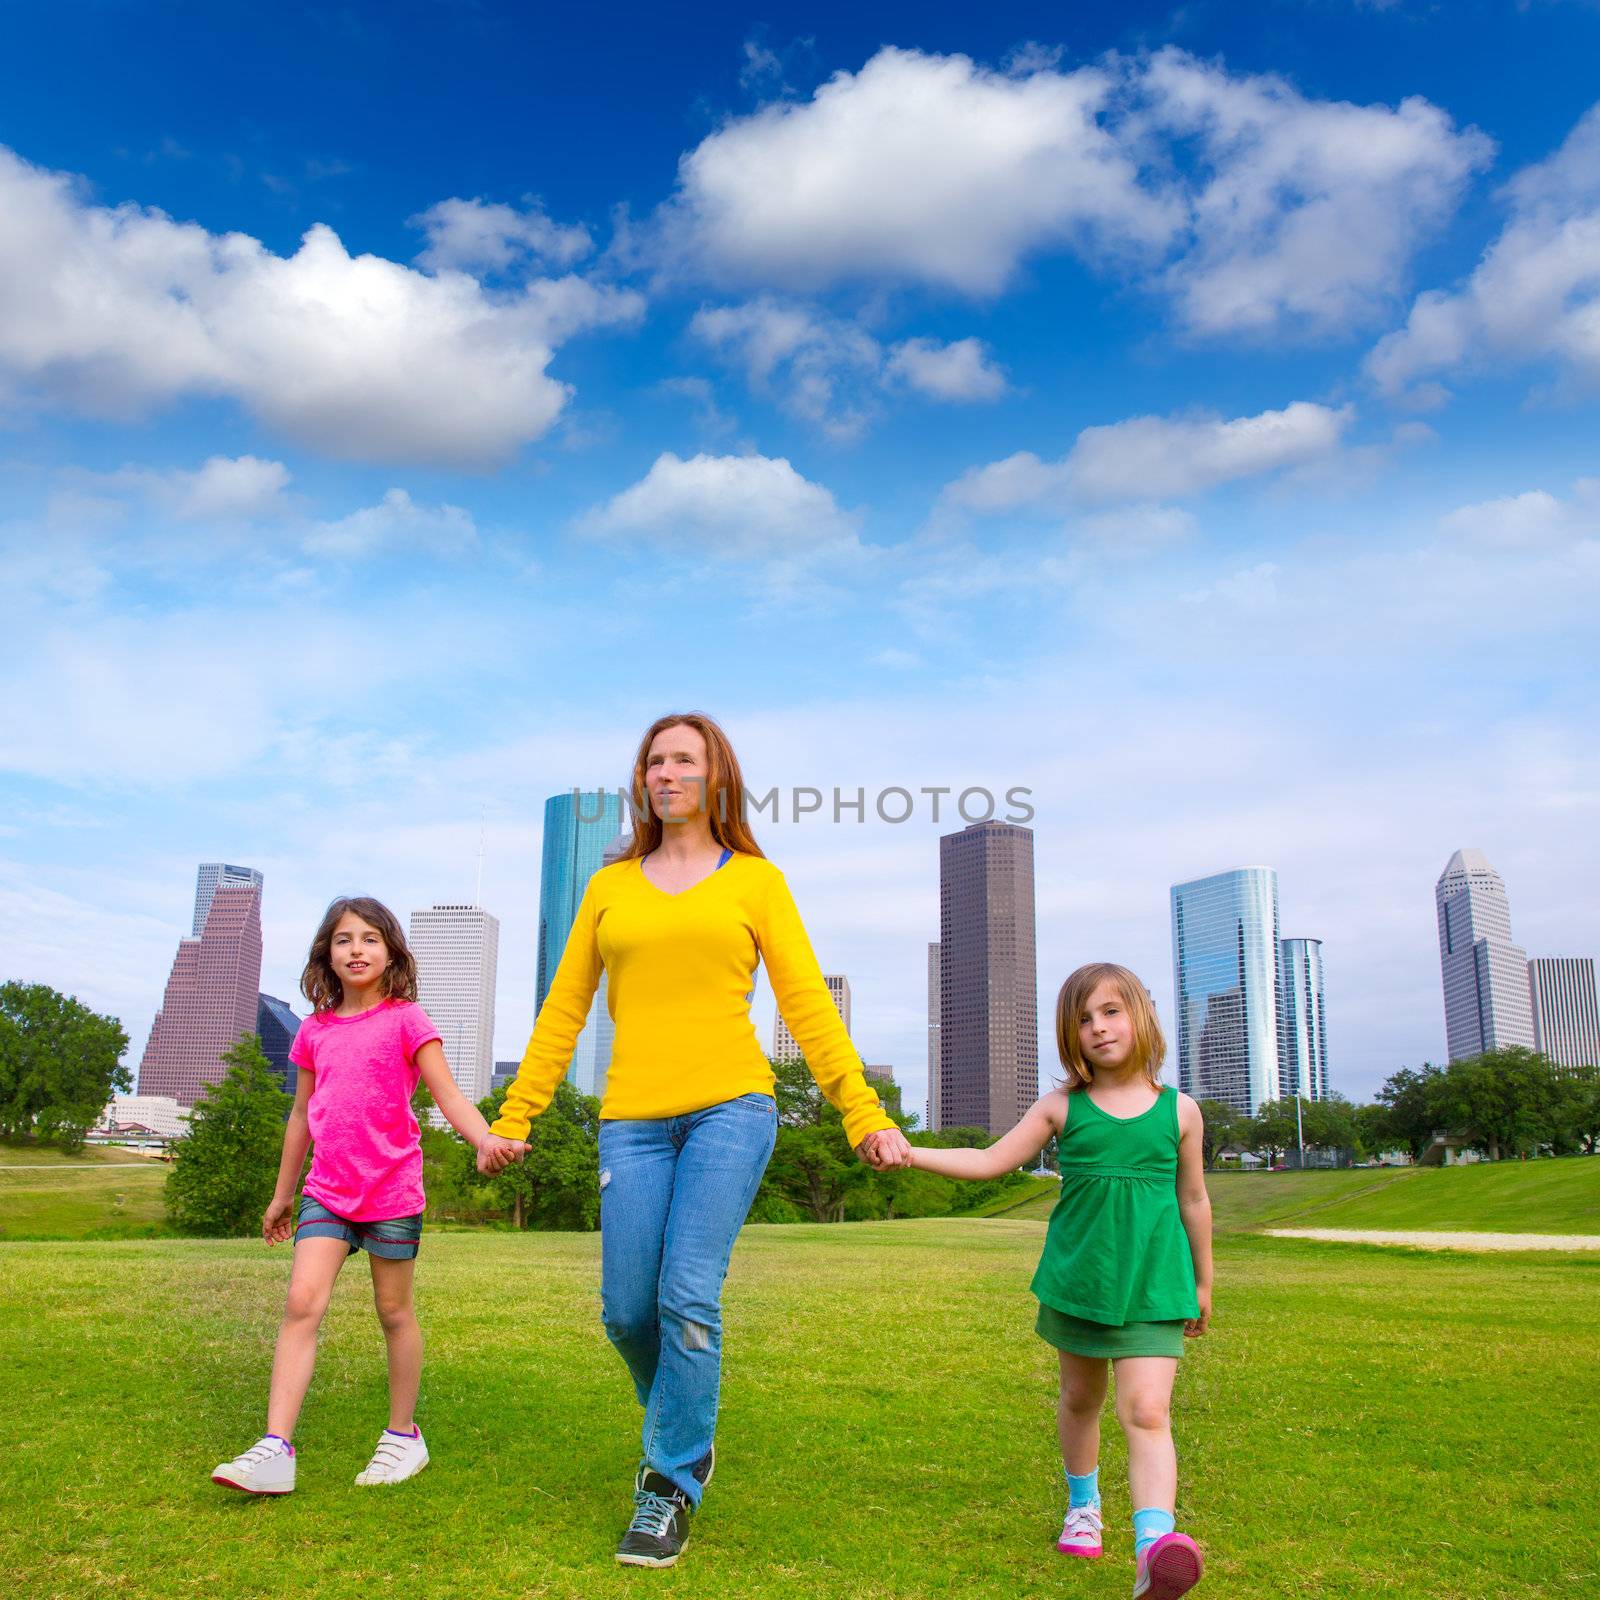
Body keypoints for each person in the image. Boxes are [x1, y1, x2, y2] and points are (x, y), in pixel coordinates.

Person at [478, 712, 911, 1568]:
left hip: (731, 1109)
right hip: (632, 1122)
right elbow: (565, 1010)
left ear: (716, 779)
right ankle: (684, 1427)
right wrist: (514, 1116)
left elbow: (807, 1008)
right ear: (643, 780)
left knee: (686, 1294)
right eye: (654, 761)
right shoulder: (611, 887)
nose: (666, 772)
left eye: (684, 759)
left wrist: (863, 1112)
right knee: (627, 1311)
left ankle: (669, 1480)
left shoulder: (755, 880)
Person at [908, 962, 1212, 1600]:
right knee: (1081, 1399)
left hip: (1156, 1284)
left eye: (1110, 1011)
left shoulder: (1180, 1111)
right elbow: (991, 1160)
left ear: (1141, 1016)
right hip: (1080, 1279)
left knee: (1148, 1410)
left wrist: (1203, 1283)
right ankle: (1084, 1506)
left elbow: (1194, 1201)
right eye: (1082, 1019)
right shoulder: (1061, 1108)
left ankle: (1153, 1551)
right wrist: (909, 1150)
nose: (1098, 1028)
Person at [211, 896, 499, 1495]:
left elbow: (448, 1094)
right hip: (327, 1191)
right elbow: (300, 1116)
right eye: (344, 939)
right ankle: (274, 1449)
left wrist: (484, 1139)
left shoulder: (407, 1019)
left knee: (393, 1313)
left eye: (370, 938)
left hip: (392, 1190)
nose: (357, 949)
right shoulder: (314, 1030)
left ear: (390, 950)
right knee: (300, 1303)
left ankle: (402, 1438)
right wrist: (282, 1194)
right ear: (327, 954)